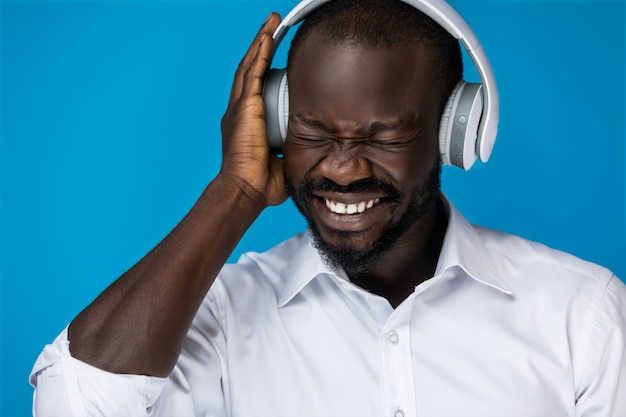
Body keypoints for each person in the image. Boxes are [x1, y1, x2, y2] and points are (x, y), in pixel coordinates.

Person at [30, 0, 626, 416]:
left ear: (456, 134)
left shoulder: (582, 314)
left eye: (384, 136)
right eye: (313, 133)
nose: (344, 168)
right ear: (277, 126)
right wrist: (233, 193)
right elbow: (72, 405)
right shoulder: (223, 313)